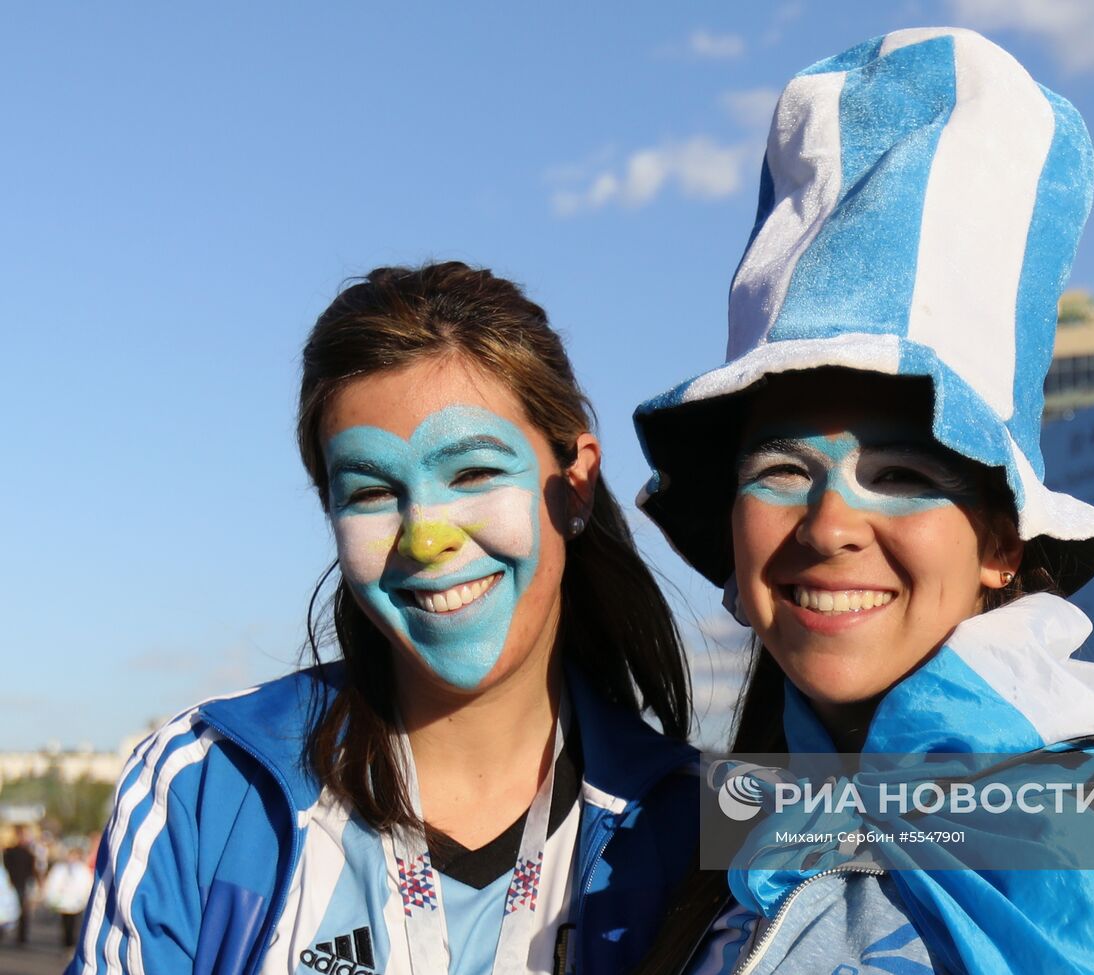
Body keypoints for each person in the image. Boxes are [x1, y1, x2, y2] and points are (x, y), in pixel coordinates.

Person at [632, 28, 1094, 975]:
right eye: (780, 469)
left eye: (904, 477)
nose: (831, 526)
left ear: (1002, 545)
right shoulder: (747, 832)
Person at [68, 262, 697, 974]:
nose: (426, 538)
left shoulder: (711, 820)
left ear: (576, 482)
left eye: (474, 473)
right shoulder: (203, 782)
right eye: (371, 491)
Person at [45, 845, 94, 949]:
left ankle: (71, 942)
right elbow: (53, 882)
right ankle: (66, 941)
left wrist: (84, 897)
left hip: (76, 901)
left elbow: (86, 884)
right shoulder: (60, 868)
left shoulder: (82, 869)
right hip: (64, 900)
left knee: (74, 922)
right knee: (65, 922)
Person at [2, 824, 38, 946]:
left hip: (22, 884)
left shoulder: (28, 853)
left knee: (23, 911)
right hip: (10, 884)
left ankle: (22, 937)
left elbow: (32, 871)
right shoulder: (9, 852)